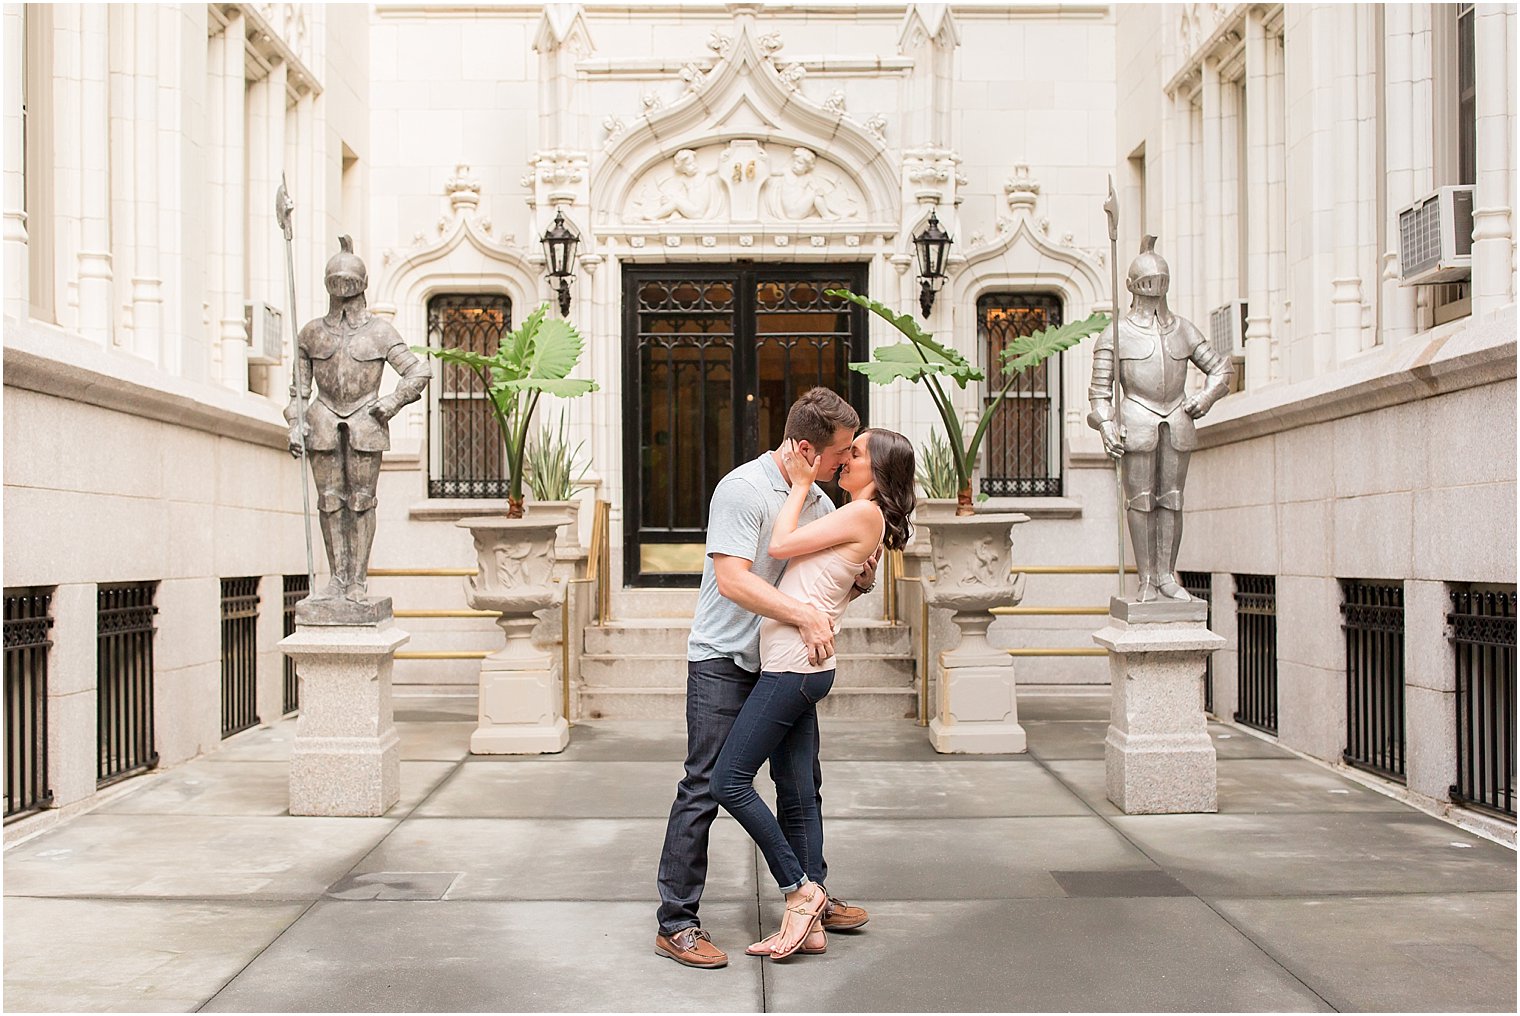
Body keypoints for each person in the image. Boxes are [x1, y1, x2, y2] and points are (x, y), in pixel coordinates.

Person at [654, 388, 874, 969]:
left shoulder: (822, 501)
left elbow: (828, 574)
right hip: (724, 659)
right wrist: (803, 615)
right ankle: (676, 921)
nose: (846, 462)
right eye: (840, 453)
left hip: (782, 665)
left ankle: (813, 896)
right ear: (806, 448)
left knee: (802, 784)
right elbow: (733, 581)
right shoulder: (742, 489)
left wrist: (860, 575)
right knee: (705, 785)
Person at [713, 427, 915, 960]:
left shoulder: (861, 514)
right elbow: (828, 577)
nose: (847, 458)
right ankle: (815, 924)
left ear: (879, 470)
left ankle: (801, 890)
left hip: (793, 669)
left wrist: (800, 483)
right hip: (798, 665)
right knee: (798, 789)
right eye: (848, 450)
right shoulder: (855, 517)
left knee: (728, 780)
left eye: (858, 452)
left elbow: (778, 546)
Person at [1086, 235, 1233, 601]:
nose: (1154, 293)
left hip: (1179, 416)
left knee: (1172, 499)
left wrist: (1206, 396)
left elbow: (1220, 369)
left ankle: (1167, 575)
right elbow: (1099, 393)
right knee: (1141, 500)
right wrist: (1106, 424)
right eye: (1149, 286)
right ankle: (1147, 579)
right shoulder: (1115, 335)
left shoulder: (1182, 329)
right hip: (1136, 416)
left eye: (1159, 284)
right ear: (1135, 288)